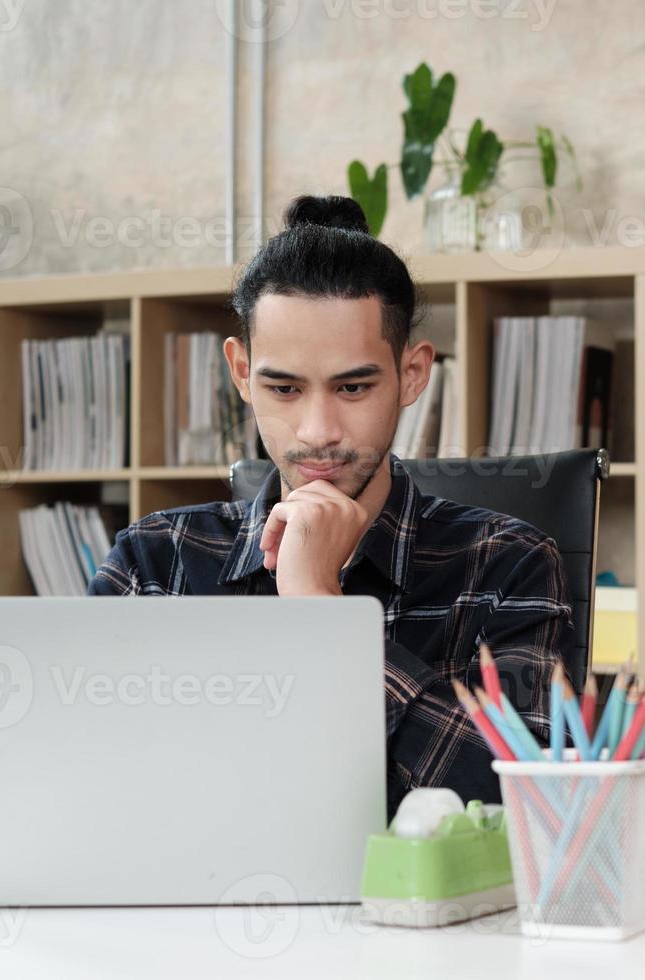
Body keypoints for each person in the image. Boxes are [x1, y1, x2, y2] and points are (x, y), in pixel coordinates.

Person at [88, 194, 569, 812]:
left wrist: (323, 612)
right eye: (283, 388)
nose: (317, 430)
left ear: (413, 374)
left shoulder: (511, 564)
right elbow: (86, 784)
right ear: (241, 371)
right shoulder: (154, 564)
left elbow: (531, 805)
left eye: (353, 386)